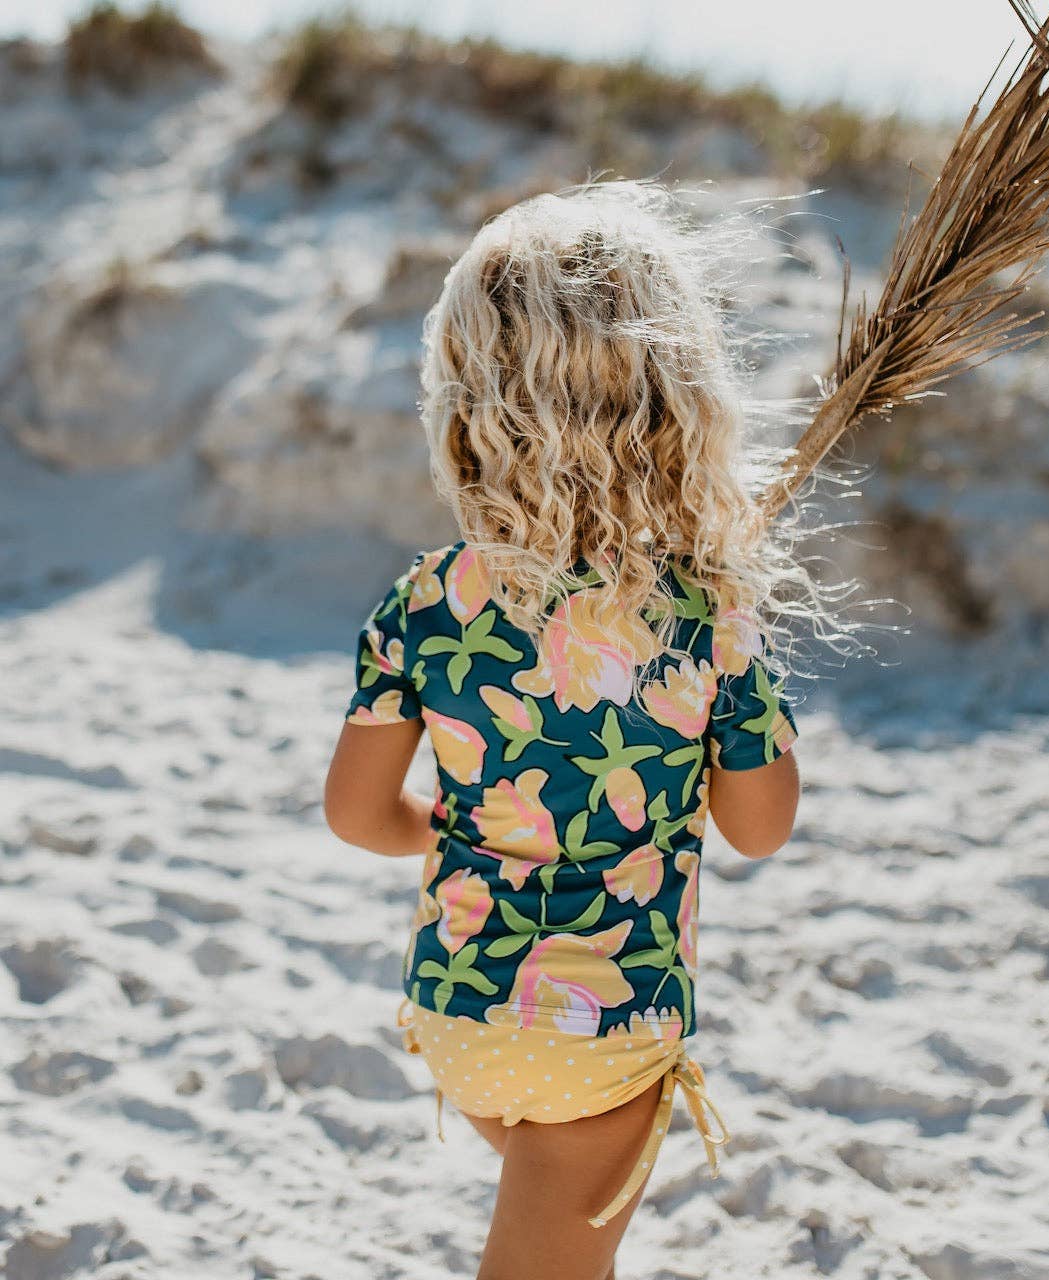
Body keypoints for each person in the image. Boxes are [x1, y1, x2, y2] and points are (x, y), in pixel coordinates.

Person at [324, 177, 807, 1280]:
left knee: (540, 1202)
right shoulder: (700, 614)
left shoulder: (426, 599)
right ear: (677, 404)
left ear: (461, 406)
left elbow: (356, 814)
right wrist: (740, 667)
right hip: (606, 1022)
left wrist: (443, 829)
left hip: (454, 1007)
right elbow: (760, 825)